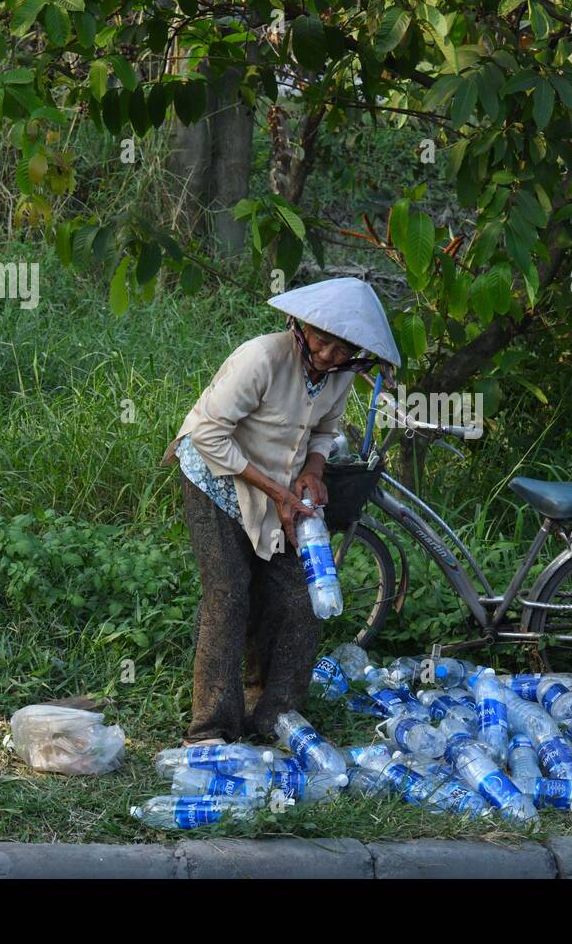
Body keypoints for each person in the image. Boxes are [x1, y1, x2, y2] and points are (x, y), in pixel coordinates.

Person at [160, 278, 401, 744]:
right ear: (302, 326)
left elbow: (325, 430)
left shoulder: (340, 374)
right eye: (322, 340)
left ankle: (274, 719)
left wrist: (313, 471)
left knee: (300, 599)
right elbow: (209, 435)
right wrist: (277, 491)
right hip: (216, 480)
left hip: (281, 491)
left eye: (342, 349)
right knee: (229, 598)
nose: (329, 355)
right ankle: (211, 729)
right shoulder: (263, 358)